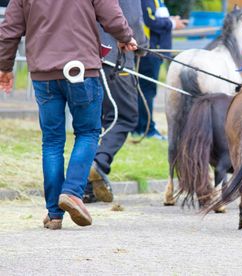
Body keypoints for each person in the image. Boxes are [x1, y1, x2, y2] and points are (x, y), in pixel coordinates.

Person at [0, 0, 137, 230]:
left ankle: (54, 214)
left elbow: (9, 30)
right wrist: (126, 37)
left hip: (43, 75)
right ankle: (73, 192)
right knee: (88, 132)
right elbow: (112, 17)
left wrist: (5, 67)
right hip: (82, 69)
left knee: (52, 142)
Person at [83, 0, 148, 204]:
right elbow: (132, 19)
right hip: (114, 57)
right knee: (125, 117)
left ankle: (85, 187)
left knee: (94, 123)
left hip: (82, 56)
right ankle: (100, 164)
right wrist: (141, 44)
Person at [133, 0, 188, 140]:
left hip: (156, 53)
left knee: (147, 91)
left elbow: (157, 19)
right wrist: (173, 24)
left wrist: (170, 20)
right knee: (147, 92)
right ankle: (146, 129)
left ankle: (141, 127)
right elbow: (150, 21)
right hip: (150, 52)